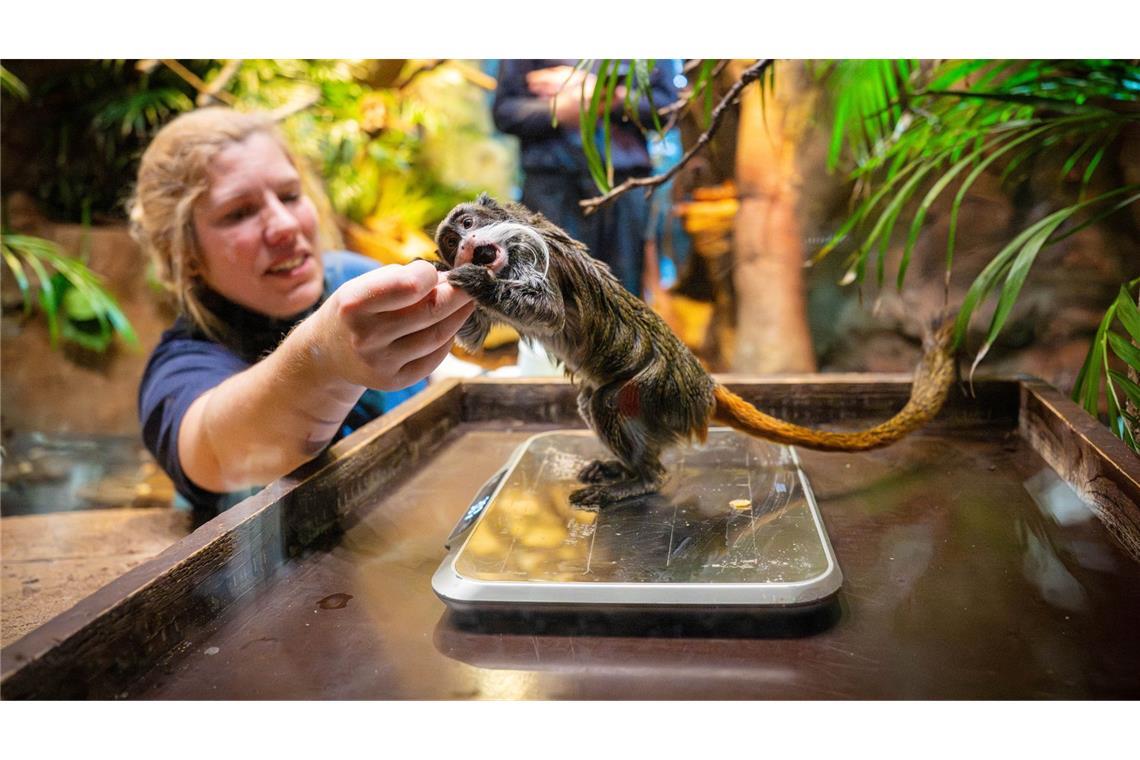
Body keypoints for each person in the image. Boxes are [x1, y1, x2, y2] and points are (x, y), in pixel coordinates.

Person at [131, 107, 474, 518]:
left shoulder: (351, 275)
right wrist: (325, 360)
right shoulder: (181, 368)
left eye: (291, 195)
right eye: (238, 213)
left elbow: (437, 380)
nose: (283, 226)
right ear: (185, 254)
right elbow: (217, 452)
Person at [492, 60, 678, 296]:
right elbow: (504, 112)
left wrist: (602, 93)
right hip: (552, 185)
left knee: (623, 292)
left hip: (624, 186)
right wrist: (557, 110)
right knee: (552, 295)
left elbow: (668, 108)